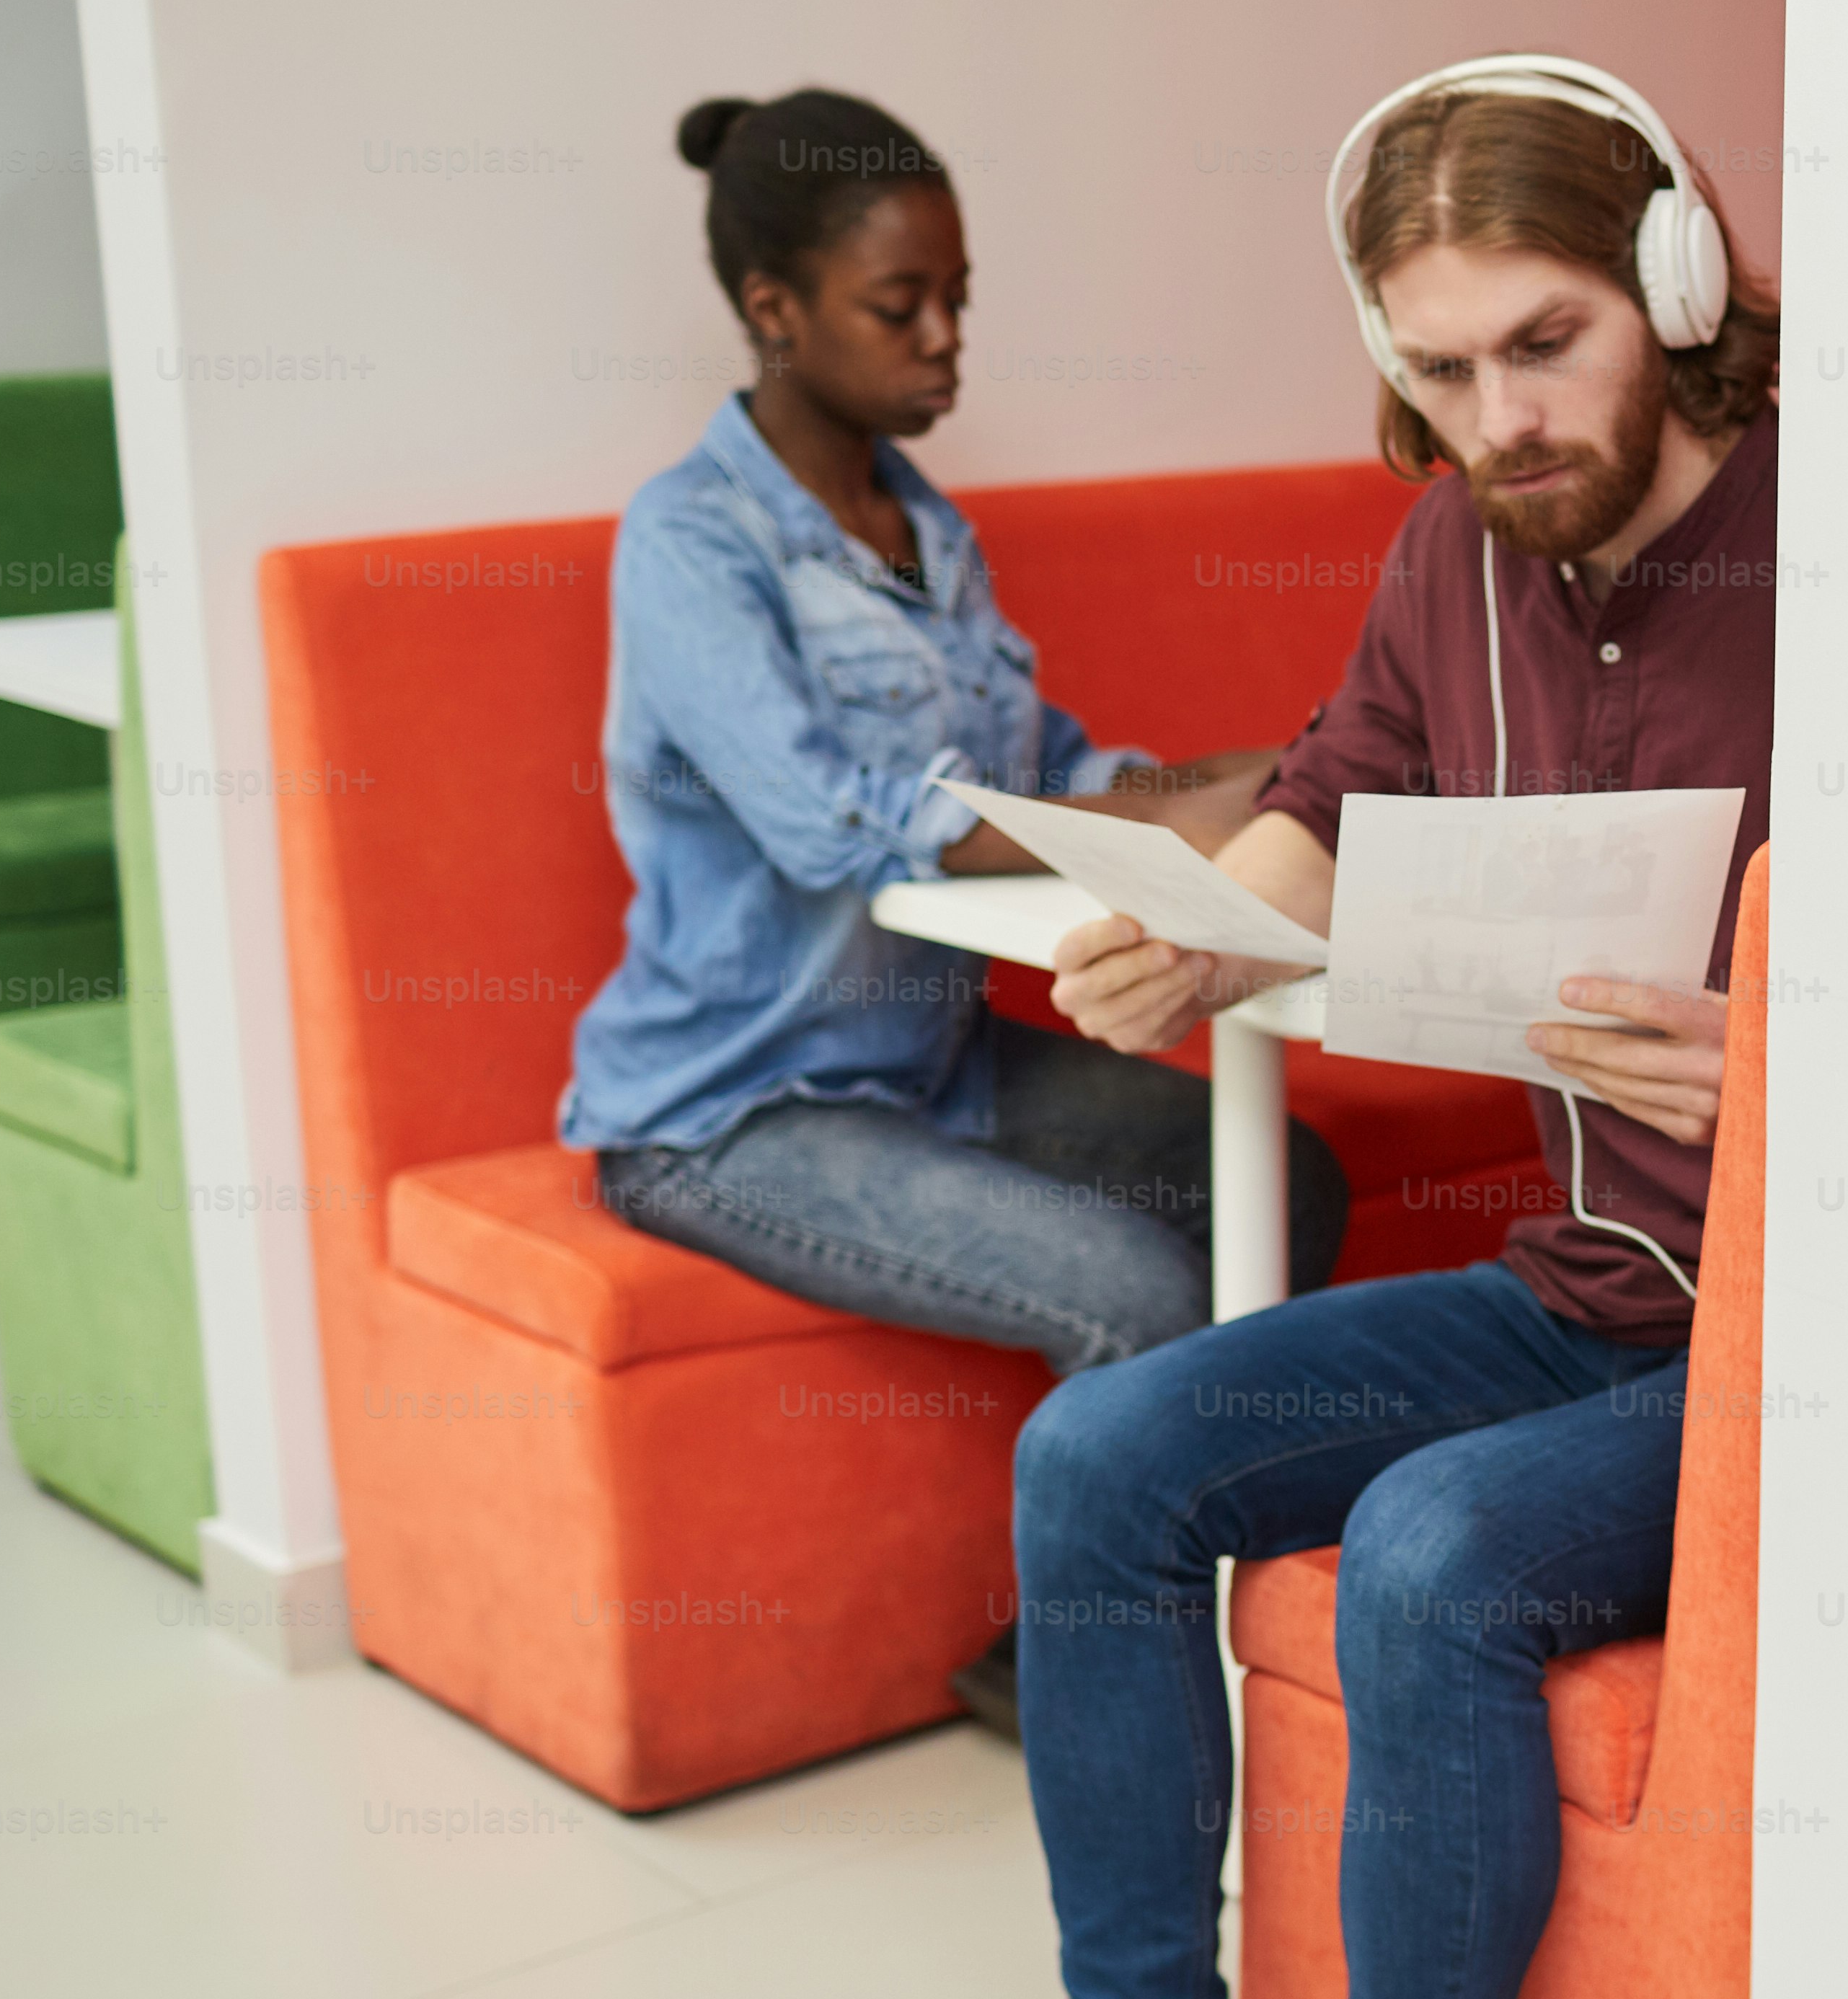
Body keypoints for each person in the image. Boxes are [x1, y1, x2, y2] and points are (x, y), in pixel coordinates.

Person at [852, 57, 1778, 1999]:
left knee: (1446, 1553)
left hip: (1796, 1339)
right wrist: (1200, 928)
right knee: (1104, 1456)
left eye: (1552, 346)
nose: (1502, 419)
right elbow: (1347, 778)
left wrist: (1769, 1047)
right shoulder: (1456, 549)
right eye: (1446, 369)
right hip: (1593, 1282)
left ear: (1677, 289)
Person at [561, 87, 1346, 1404]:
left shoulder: (928, 533)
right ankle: (1117, 1609)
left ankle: (1169, 1575)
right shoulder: (690, 542)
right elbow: (837, 822)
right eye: (900, 303)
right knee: (1142, 1299)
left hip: (933, 1064)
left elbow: (1047, 769)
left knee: (1288, 1176)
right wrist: (1156, 826)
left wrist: (1277, 773)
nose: (946, 340)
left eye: (961, 299)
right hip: (735, 1110)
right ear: (774, 310)